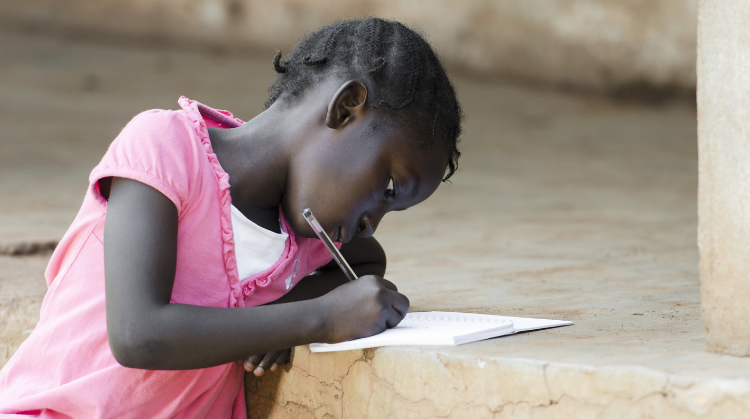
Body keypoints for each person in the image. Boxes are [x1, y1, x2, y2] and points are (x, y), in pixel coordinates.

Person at [0, 17, 462, 418]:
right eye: (386, 189)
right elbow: (137, 334)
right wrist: (315, 318)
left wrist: (288, 309)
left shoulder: (304, 232)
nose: (371, 223)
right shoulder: (166, 149)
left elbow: (366, 264)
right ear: (344, 109)